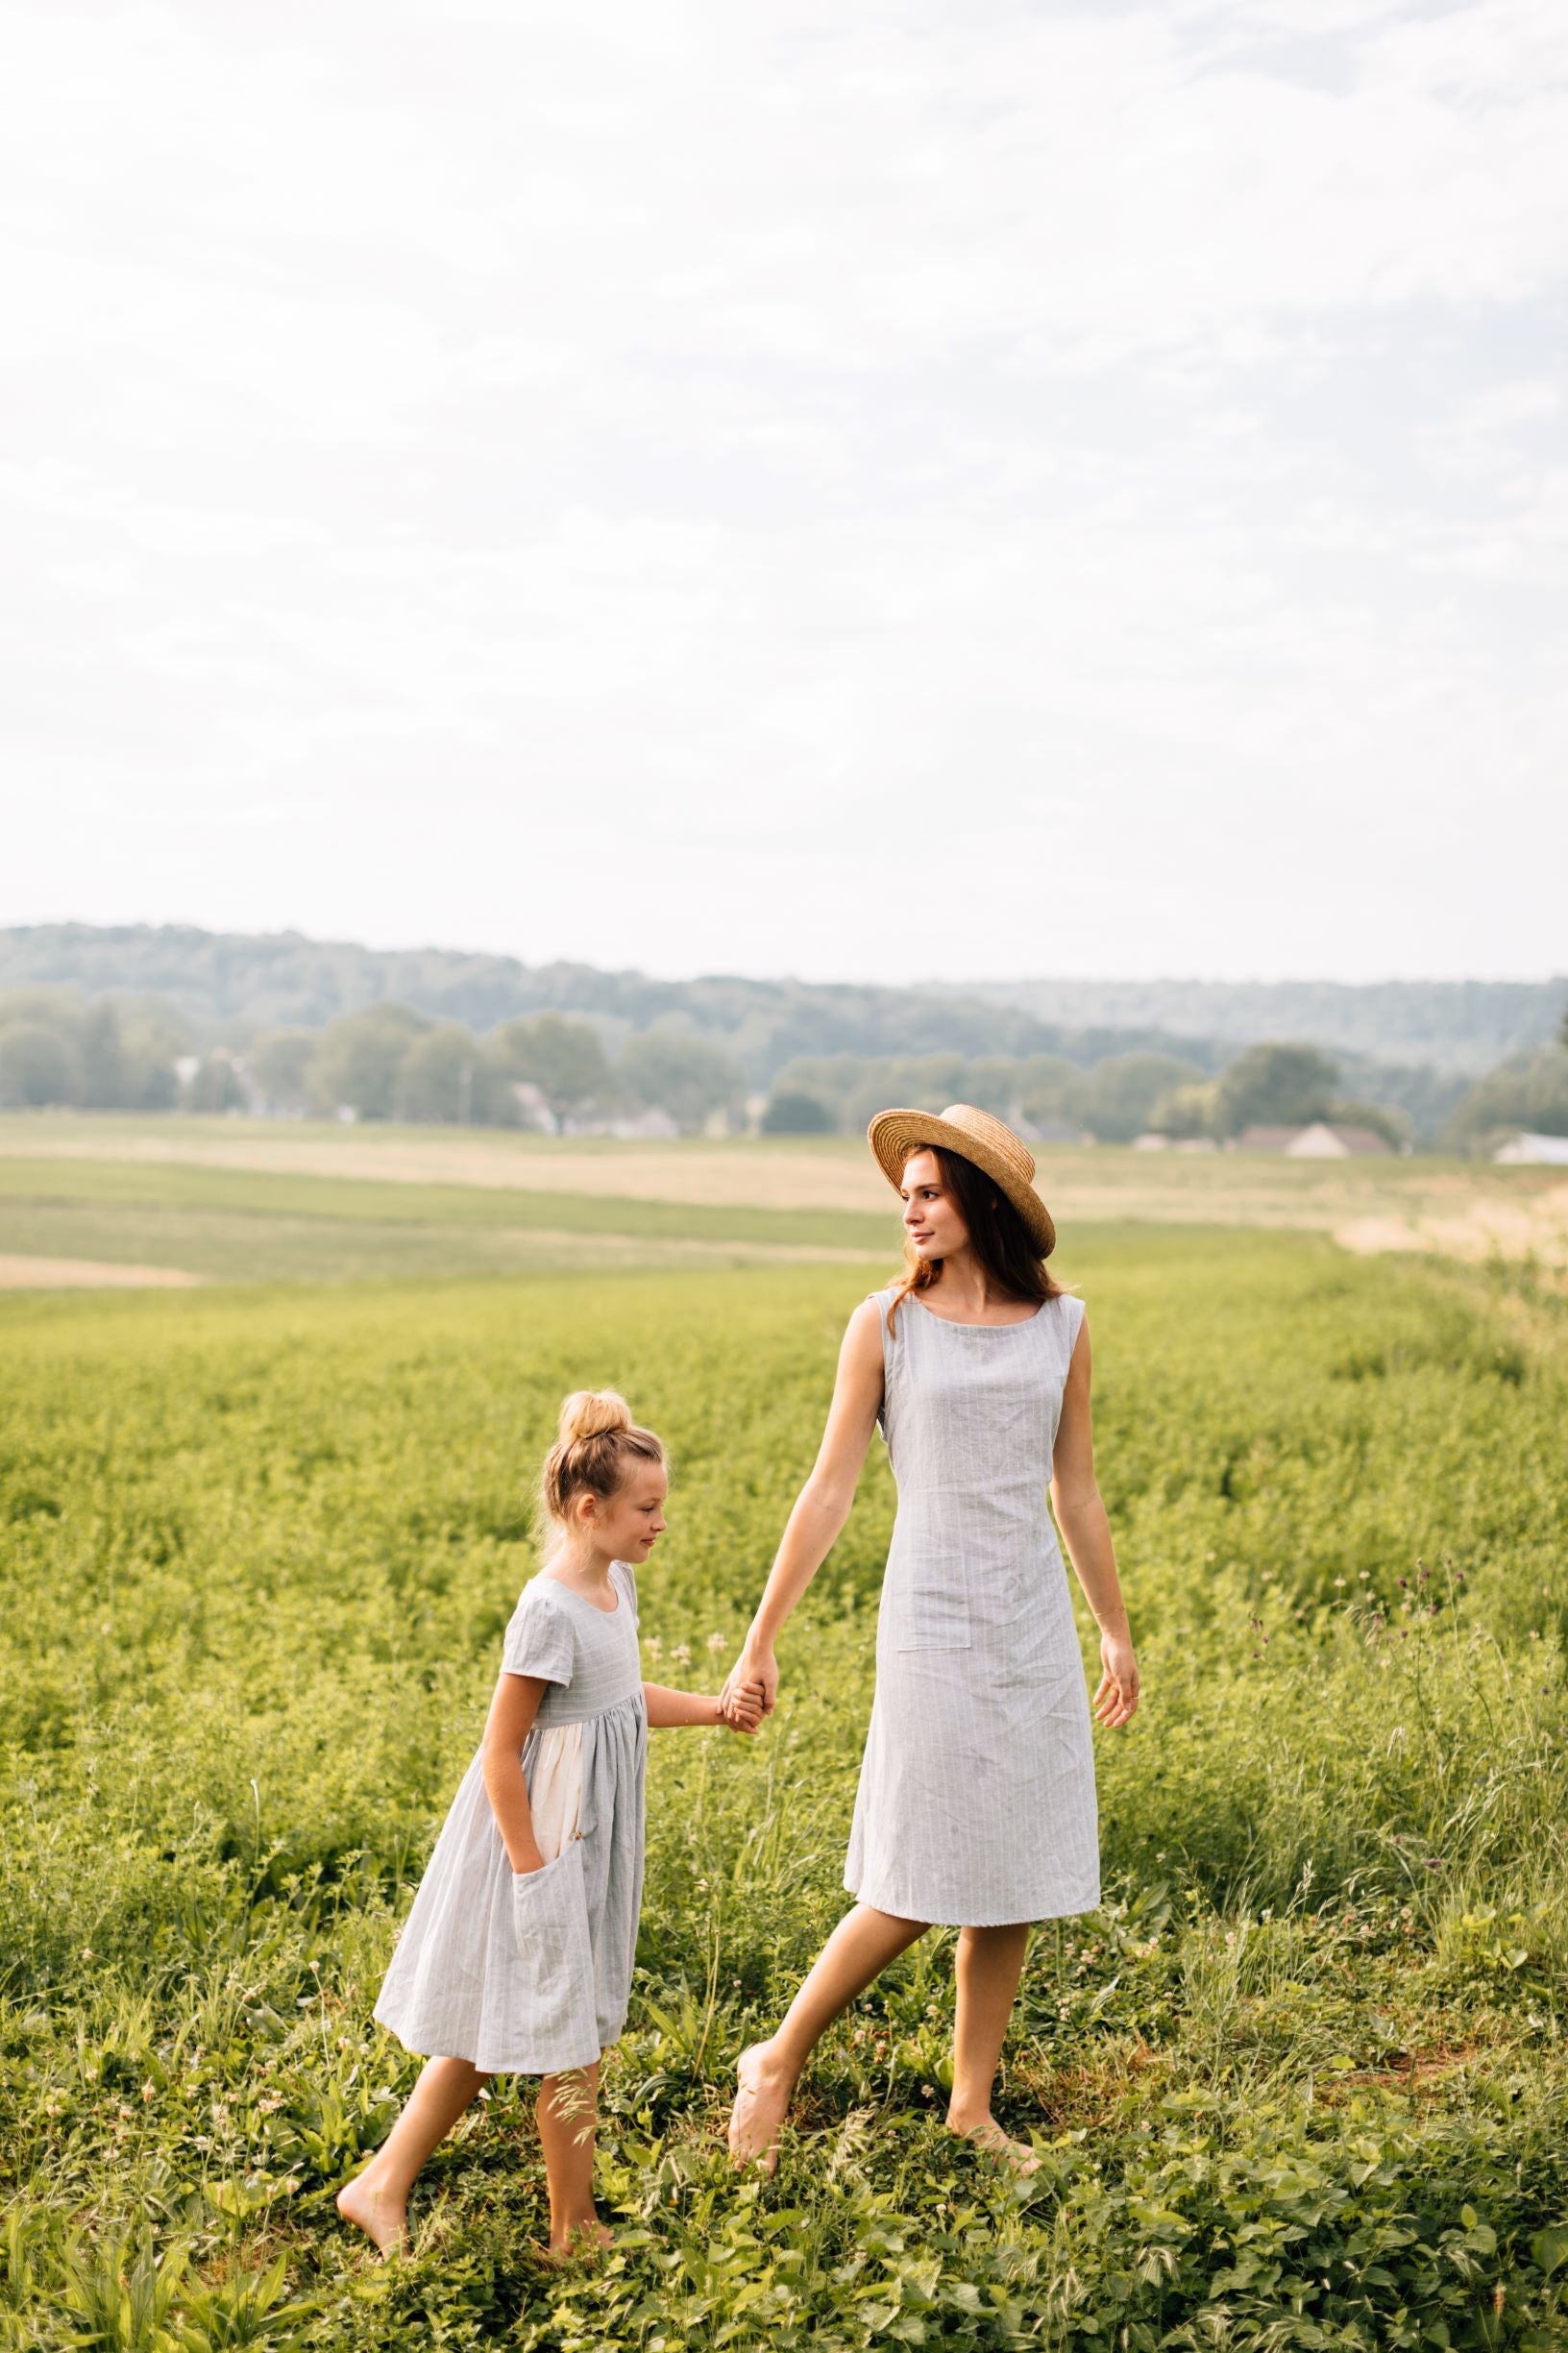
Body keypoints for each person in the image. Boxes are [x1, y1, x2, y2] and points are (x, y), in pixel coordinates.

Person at [721, 1104, 1139, 2174]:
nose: (907, 1209)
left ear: (980, 1199)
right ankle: (775, 2055)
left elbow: (1077, 1491)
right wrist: (761, 1637)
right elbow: (829, 1491)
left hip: (1031, 1617)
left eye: (928, 1191)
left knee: (1017, 1870)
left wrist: (1114, 1631)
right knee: (916, 1870)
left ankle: (970, 2103)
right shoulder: (886, 1324)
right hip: (931, 1618)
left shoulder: (1064, 1325)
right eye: (902, 1192)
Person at [340, 1389, 764, 2259]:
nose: (659, 1523)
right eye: (647, 1508)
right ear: (588, 1509)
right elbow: (501, 1751)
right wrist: (532, 1872)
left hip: (587, 1837)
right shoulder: (548, 1608)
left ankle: (379, 2183)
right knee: (568, 2038)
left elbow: (618, 1703)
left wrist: (718, 1710)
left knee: (509, 2023)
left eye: (660, 1507)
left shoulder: (616, 1585)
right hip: (538, 1842)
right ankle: (571, 2229)